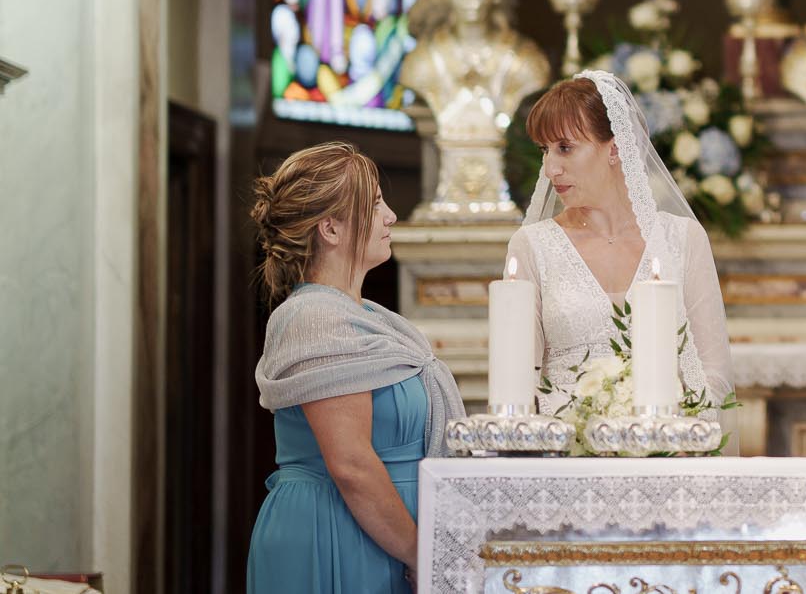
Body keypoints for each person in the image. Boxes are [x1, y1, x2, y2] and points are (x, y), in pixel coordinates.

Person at [249, 141, 465, 592]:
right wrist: (418, 552)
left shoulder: (367, 316)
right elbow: (350, 464)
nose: (391, 216)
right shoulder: (314, 317)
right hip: (337, 534)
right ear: (330, 228)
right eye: (375, 204)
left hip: (379, 535)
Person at [506, 71, 733, 421]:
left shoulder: (683, 239)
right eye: (545, 150)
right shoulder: (532, 246)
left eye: (565, 147)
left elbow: (712, 372)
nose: (551, 168)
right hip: (566, 455)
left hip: (663, 451)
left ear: (614, 149)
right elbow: (519, 384)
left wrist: (668, 435)